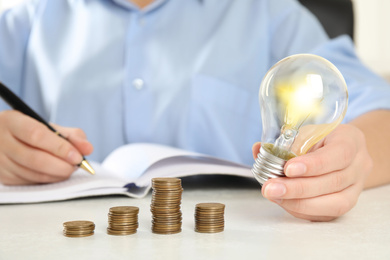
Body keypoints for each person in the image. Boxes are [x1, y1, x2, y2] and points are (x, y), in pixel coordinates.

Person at [0, 0, 390, 222]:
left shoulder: (270, 13)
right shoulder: (24, 22)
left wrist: (350, 157)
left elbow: (380, 113)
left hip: (248, 237)